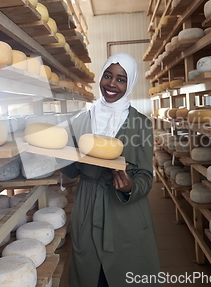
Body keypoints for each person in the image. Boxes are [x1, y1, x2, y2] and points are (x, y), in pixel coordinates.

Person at [61, 53, 161, 287]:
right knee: (90, 274)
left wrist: (130, 186)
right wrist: (60, 153)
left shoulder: (141, 124)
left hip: (125, 213)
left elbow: (146, 176)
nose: (112, 84)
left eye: (121, 79)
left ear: (130, 84)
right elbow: (71, 171)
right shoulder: (81, 120)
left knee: (125, 275)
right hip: (87, 205)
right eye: (108, 76)